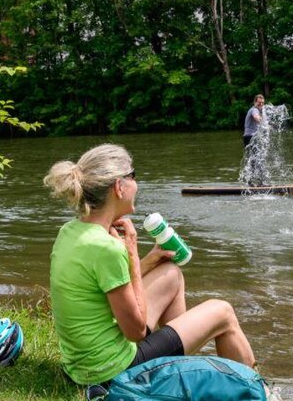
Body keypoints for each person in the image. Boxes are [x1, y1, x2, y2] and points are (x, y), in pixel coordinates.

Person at [45, 144, 255, 392]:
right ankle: (259, 389)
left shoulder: (70, 231)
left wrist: (149, 260)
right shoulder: (106, 248)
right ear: (119, 187)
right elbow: (136, 331)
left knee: (171, 274)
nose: (137, 184)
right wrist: (132, 253)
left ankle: (177, 373)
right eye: (133, 176)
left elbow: (103, 286)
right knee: (223, 313)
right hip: (112, 372)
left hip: (82, 366)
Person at [242, 95, 268, 186]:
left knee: (253, 160)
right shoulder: (254, 110)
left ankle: (250, 182)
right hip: (250, 138)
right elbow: (256, 117)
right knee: (258, 159)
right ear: (255, 102)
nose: (261, 104)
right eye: (259, 102)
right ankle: (261, 183)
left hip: (250, 137)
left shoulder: (261, 110)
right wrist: (263, 121)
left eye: (262, 103)